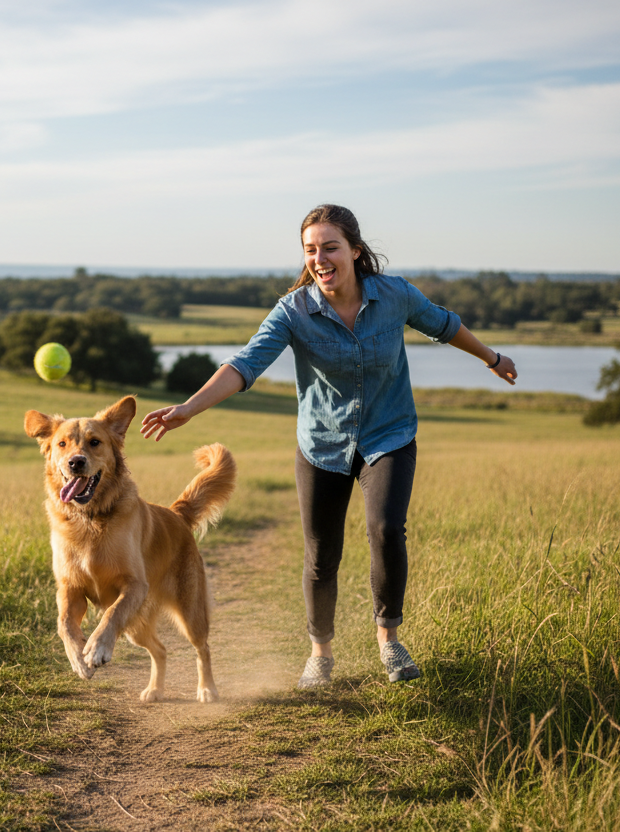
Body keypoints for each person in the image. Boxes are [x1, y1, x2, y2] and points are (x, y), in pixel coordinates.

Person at [140, 204, 518, 688]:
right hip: (322, 444)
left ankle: (389, 640)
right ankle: (320, 653)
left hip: (389, 435)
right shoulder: (293, 311)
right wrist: (189, 408)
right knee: (321, 553)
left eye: (330, 247)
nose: (319, 258)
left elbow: (445, 325)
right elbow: (245, 363)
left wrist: (491, 358)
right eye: (310, 250)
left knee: (385, 529)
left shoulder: (395, 296)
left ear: (355, 251)